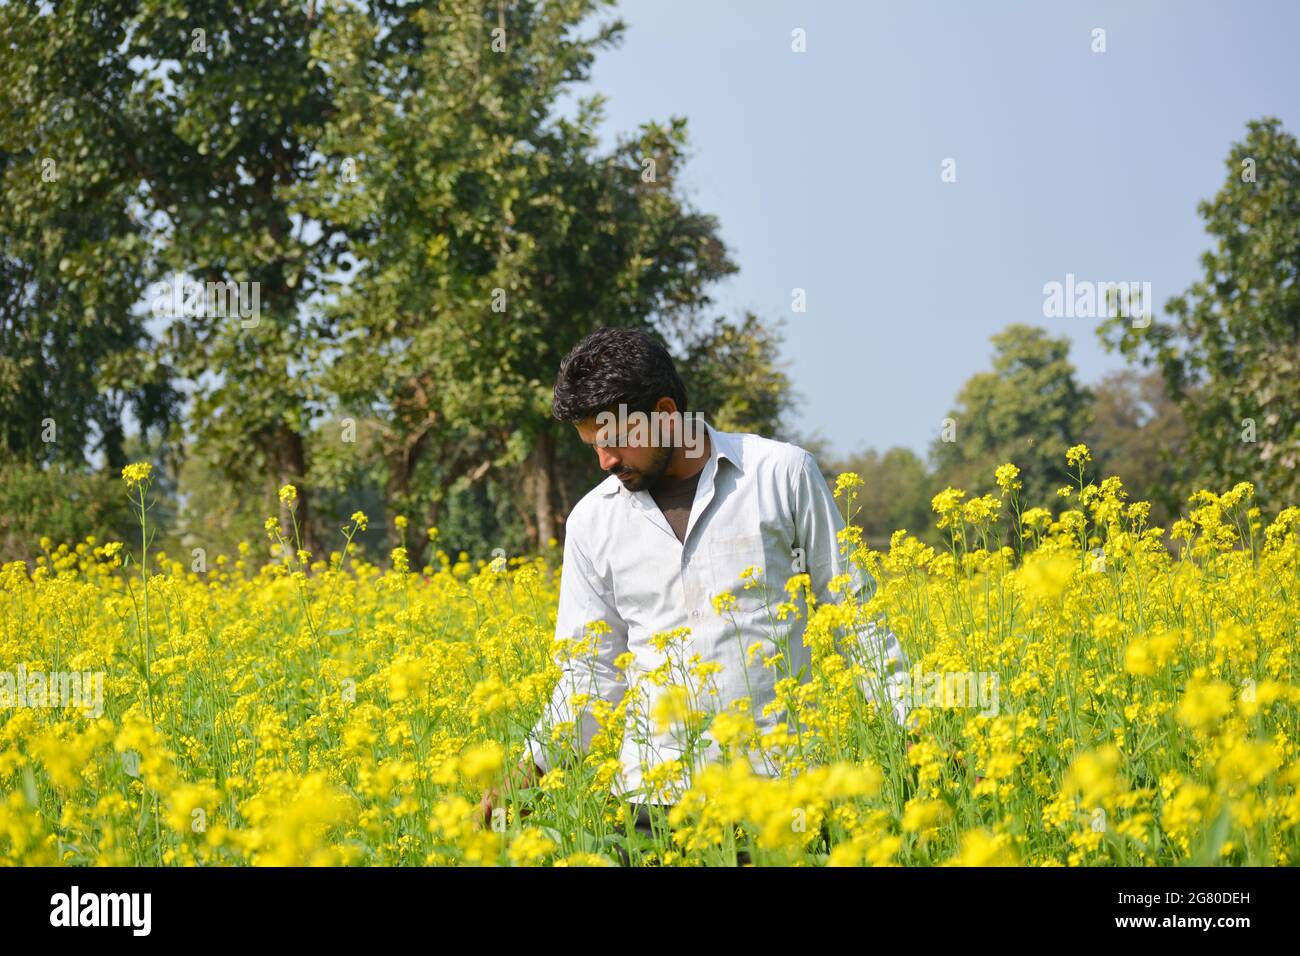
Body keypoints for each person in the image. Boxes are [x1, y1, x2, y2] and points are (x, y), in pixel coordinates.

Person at [480, 326, 912, 864]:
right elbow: (590, 672)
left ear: (665, 412)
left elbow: (857, 619)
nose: (605, 462)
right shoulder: (592, 520)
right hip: (651, 805)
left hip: (779, 791)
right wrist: (529, 771)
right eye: (594, 447)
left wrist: (919, 728)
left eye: (614, 441)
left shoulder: (781, 475)